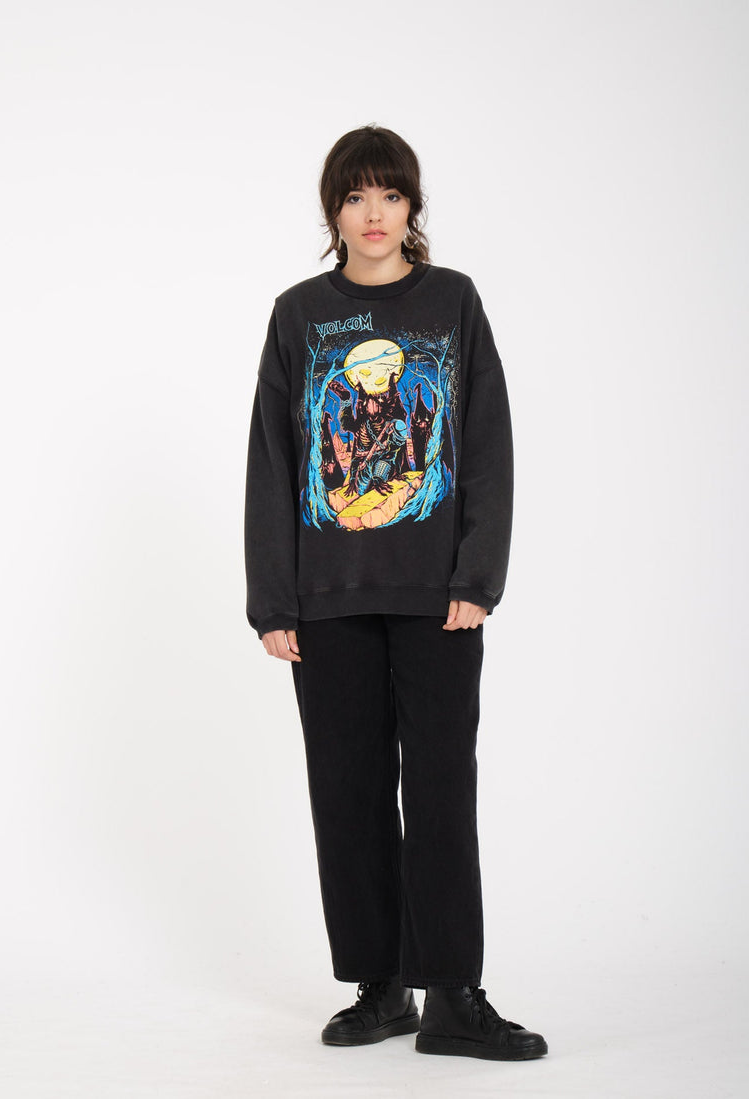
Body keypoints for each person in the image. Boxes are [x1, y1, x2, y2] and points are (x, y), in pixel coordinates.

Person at [244, 124, 548, 1062]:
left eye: (389, 194)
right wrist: (273, 600)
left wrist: (477, 575)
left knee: (442, 789)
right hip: (325, 597)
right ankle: (381, 988)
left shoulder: (451, 302)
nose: (372, 214)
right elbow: (272, 459)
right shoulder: (298, 315)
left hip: (438, 596)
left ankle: (453, 992)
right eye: (354, 196)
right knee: (348, 791)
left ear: (412, 206)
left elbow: (486, 444)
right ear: (332, 211)